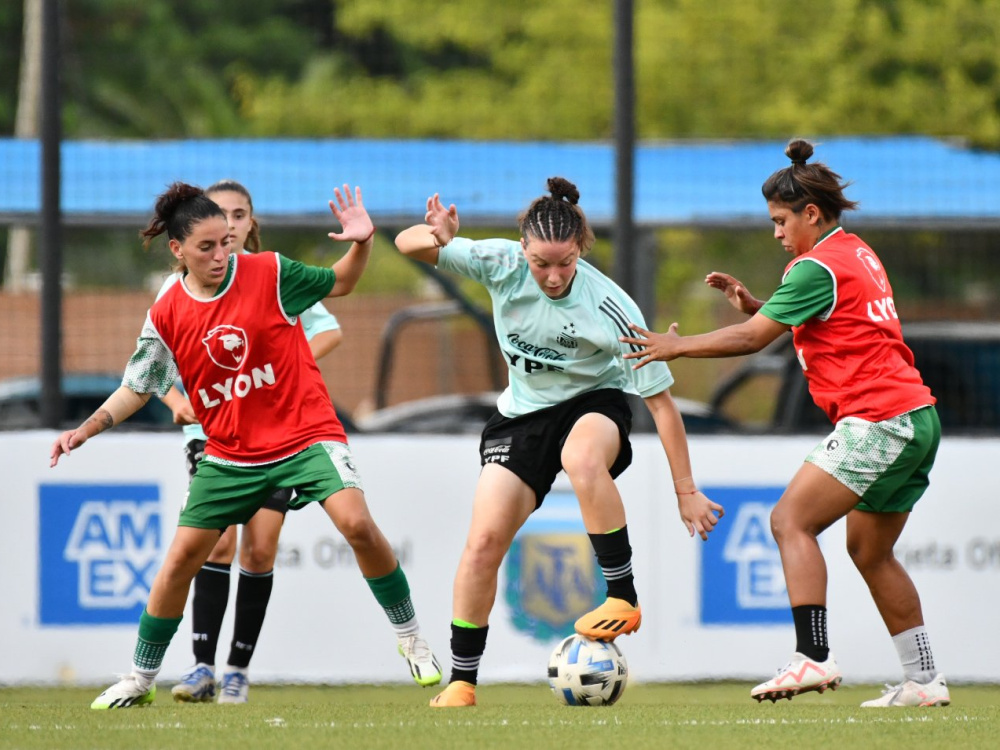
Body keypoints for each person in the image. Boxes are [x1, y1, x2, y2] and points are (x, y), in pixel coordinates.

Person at [51, 182, 442, 709]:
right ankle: (141, 679)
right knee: (180, 560)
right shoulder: (167, 310)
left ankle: (411, 638)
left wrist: (362, 242)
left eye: (226, 241)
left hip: (305, 434)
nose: (221, 254)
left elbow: (343, 283)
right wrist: (84, 429)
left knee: (355, 524)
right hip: (230, 453)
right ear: (177, 250)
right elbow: (137, 387)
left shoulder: (269, 271)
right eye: (206, 246)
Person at [619, 139, 949, 708]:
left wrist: (677, 345)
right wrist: (758, 306)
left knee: (789, 520)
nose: (776, 233)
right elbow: (825, 321)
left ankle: (812, 656)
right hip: (916, 417)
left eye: (780, 220)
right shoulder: (857, 252)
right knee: (871, 552)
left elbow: (753, 341)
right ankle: (923, 680)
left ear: (811, 214)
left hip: (879, 418)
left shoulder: (813, 266)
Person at [394, 177, 724, 708]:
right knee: (483, 544)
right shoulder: (499, 263)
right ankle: (462, 681)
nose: (552, 276)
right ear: (522, 248)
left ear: (581, 250)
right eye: (540, 263)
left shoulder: (611, 307)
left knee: (581, 457)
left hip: (594, 404)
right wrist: (440, 238)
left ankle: (622, 596)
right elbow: (404, 243)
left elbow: (662, 405)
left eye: (565, 263)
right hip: (521, 419)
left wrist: (685, 490)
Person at [157, 180, 343, 704]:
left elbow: (330, 330)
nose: (231, 224)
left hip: (275, 433)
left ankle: (237, 669)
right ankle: (201, 667)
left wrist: (283, 364)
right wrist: (174, 400)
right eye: (221, 215)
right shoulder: (175, 289)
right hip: (210, 434)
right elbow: (150, 362)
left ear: (250, 223)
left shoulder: (270, 275)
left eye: (239, 215)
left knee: (259, 548)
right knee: (216, 543)